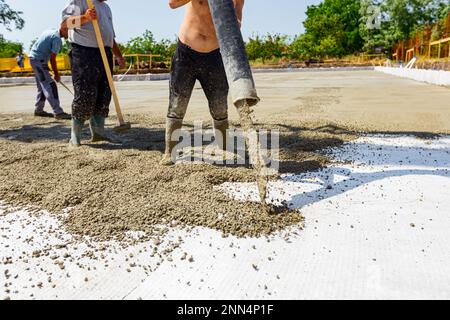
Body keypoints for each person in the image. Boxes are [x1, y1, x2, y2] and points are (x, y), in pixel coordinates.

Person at [161, 0, 244, 165]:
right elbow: (171, 3)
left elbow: (237, 23)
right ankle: (170, 151)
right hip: (187, 52)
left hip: (215, 55)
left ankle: (224, 147)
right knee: (177, 104)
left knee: (219, 106)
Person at [61, 0, 125, 147]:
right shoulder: (80, 1)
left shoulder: (106, 8)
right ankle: (75, 136)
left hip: (105, 53)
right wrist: (85, 18)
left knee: (104, 94)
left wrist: (119, 56)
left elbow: (111, 37)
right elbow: (64, 25)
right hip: (84, 52)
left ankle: (98, 133)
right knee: (85, 94)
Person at [29, 29, 72, 119]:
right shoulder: (57, 39)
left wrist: (45, 64)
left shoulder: (50, 31)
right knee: (50, 85)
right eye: (69, 31)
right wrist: (56, 74)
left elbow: (42, 47)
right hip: (39, 60)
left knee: (42, 86)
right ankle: (58, 112)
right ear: (64, 29)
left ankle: (38, 110)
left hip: (34, 59)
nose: (70, 34)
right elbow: (53, 59)